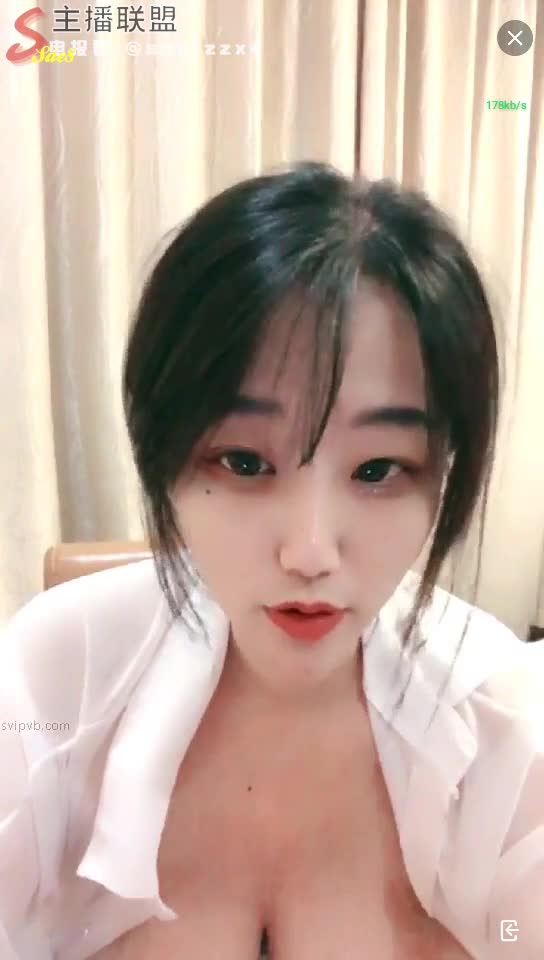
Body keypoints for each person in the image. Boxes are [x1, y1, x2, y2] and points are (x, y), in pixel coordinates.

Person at [0, 161, 543, 960]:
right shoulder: (55, 675)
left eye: (378, 469)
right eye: (245, 462)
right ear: (161, 452)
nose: (310, 552)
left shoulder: (504, 720)